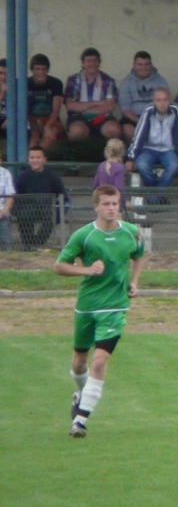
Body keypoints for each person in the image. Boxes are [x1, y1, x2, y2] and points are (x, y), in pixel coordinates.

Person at [54, 185, 145, 438]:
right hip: (87, 306)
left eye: (115, 203)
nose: (111, 208)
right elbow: (59, 266)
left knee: (99, 361)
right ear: (96, 206)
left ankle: (80, 420)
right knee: (79, 362)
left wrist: (134, 281)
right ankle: (81, 393)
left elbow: (139, 255)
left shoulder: (131, 232)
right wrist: (86, 270)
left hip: (115, 307)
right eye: (106, 204)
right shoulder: (84, 236)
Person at [125, 88, 178, 192]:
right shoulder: (148, 111)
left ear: (170, 100)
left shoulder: (175, 110)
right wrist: (131, 158)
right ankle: (157, 195)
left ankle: (154, 196)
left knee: (174, 166)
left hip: (168, 150)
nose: (162, 103)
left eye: (165, 100)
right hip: (149, 149)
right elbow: (139, 135)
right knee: (141, 164)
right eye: (158, 100)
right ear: (153, 101)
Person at [13, 145, 69, 249]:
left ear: (44, 160)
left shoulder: (52, 176)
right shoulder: (22, 176)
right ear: (28, 159)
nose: (35, 160)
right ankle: (28, 246)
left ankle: (37, 243)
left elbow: (63, 196)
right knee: (24, 216)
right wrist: (18, 210)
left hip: (47, 208)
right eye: (32, 157)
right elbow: (15, 196)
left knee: (51, 217)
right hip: (27, 209)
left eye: (38, 157)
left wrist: (58, 212)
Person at [65, 47, 122, 144]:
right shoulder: (73, 80)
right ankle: (75, 153)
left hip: (102, 117)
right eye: (88, 61)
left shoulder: (108, 81)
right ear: (82, 63)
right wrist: (97, 103)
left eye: (95, 61)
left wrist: (83, 107)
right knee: (77, 131)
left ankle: (110, 153)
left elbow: (109, 107)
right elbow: (70, 106)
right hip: (78, 117)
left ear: (99, 63)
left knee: (114, 129)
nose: (92, 64)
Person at [118, 51, 169, 142]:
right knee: (127, 130)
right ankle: (135, 150)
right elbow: (125, 109)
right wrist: (141, 121)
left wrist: (153, 120)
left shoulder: (160, 80)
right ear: (134, 65)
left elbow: (165, 104)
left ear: (151, 65)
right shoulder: (127, 82)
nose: (143, 68)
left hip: (155, 117)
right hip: (133, 118)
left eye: (146, 64)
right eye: (140, 64)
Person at [27, 53, 66, 156]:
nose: (40, 72)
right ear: (32, 70)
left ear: (47, 70)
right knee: (34, 136)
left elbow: (56, 110)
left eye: (43, 69)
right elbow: (24, 109)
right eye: (37, 69)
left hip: (50, 118)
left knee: (51, 132)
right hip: (31, 118)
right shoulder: (26, 83)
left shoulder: (56, 83)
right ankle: (31, 161)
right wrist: (35, 125)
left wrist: (47, 126)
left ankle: (36, 158)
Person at [92, 138, 127, 205]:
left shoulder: (101, 165)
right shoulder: (120, 168)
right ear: (122, 152)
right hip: (114, 201)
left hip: (102, 199)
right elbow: (118, 188)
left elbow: (95, 184)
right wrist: (125, 201)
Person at [0, 163, 14, 251]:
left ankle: (7, 252)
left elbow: (10, 196)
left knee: (4, 220)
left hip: (2, 213)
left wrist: (4, 211)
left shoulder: (5, 173)